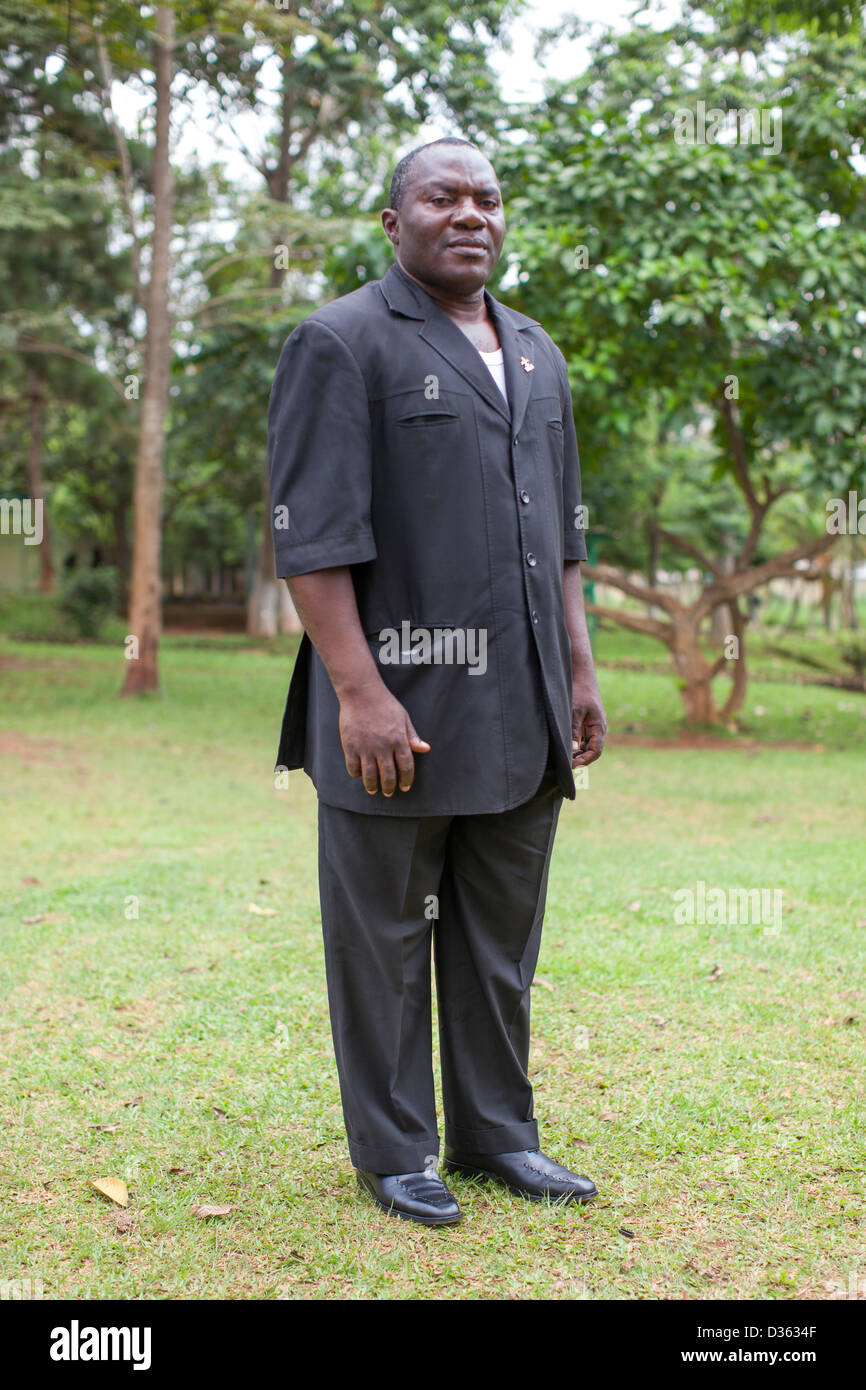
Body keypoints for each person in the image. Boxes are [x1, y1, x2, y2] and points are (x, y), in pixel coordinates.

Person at [267, 137, 606, 1226]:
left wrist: (580, 669)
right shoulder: (341, 341)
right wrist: (359, 693)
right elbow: (311, 540)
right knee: (383, 940)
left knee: (500, 940)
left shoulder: (537, 352)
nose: (469, 214)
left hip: (524, 708)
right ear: (393, 221)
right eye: (441, 197)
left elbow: (558, 534)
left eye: (487, 198)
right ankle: (394, 1149)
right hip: (397, 709)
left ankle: (499, 1134)